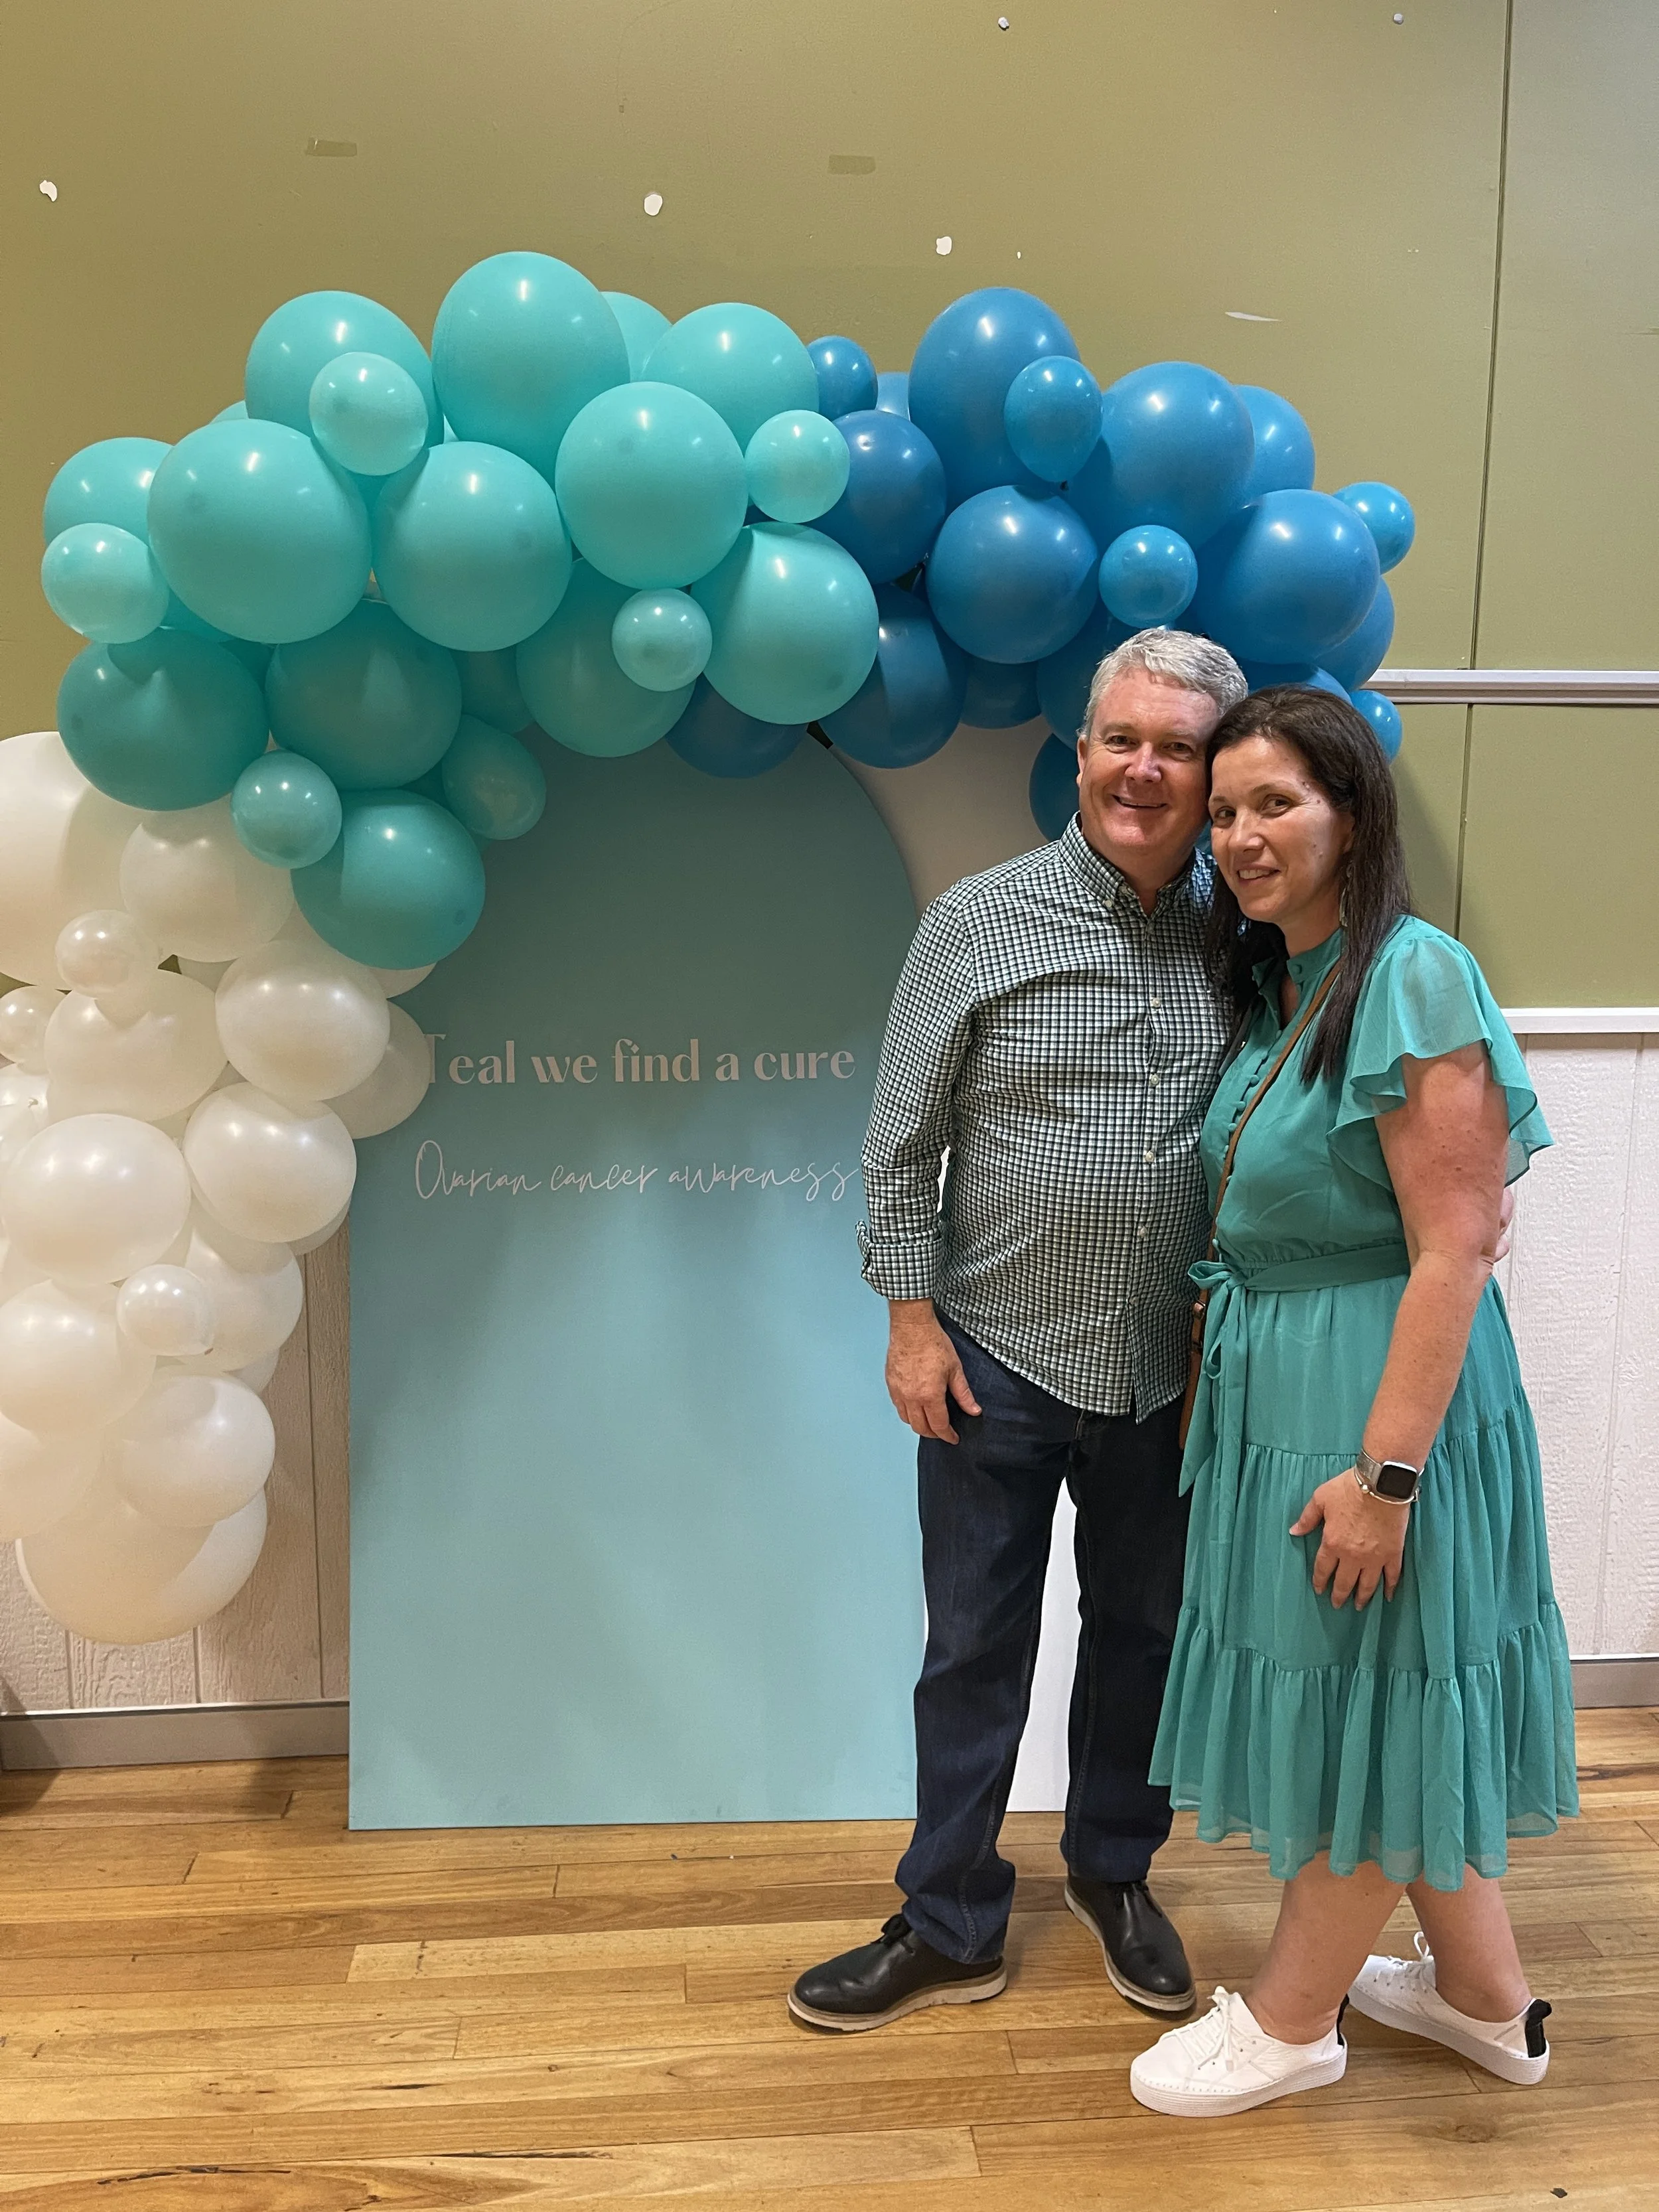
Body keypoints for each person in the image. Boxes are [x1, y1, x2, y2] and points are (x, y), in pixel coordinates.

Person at [788, 628, 1250, 2033]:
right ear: (1083, 746)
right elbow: (897, 1142)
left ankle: (1114, 1874)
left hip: (1172, 1372)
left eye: (1176, 747)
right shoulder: (977, 921)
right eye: (1123, 737)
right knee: (973, 1644)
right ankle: (948, 1919)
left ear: (1211, 770)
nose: (1143, 768)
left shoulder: (1253, 932)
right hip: (992, 1353)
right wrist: (908, 1320)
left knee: (1143, 1635)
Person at [1127, 686, 1577, 2117]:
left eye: (1277, 804)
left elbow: (1456, 1244)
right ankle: (1483, 2002)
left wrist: (1386, 1479)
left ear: (1351, 813)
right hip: (1296, 1378)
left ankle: (1290, 2018)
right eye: (1226, 812)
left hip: (1376, 1401)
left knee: (1363, 1695)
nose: (1242, 836)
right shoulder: (1288, 980)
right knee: (1381, 1681)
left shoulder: (1410, 974)